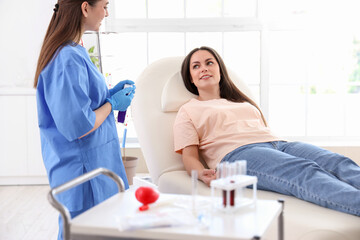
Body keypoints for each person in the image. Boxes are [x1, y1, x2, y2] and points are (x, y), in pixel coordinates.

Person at [173, 46, 360, 217]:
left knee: (336, 162)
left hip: (279, 144)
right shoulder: (188, 110)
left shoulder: (240, 101)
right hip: (238, 154)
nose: (204, 68)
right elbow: (189, 156)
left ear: (220, 69)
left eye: (209, 63)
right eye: (196, 66)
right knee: (304, 171)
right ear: (190, 78)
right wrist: (201, 173)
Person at [33, 1, 136, 239]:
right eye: (105, 6)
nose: (107, 13)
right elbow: (79, 126)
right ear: (85, 8)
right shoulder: (66, 57)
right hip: (83, 171)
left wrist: (107, 97)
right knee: (82, 233)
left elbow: (80, 107)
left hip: (93, 167)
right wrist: (113, 104)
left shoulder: (72, 51)